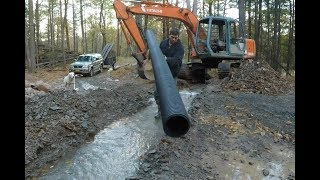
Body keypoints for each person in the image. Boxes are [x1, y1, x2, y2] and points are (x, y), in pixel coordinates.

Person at [154, 28, 185, 119]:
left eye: (176, 38)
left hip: (173, 73)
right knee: (157, 93)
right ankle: (160, 110)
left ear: (178, 37)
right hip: (162, 72)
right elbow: (157, 53)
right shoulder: (163, 43)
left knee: (171, 94)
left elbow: (177, 60)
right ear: (169, 35)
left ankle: (173, 113)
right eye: (172, 37)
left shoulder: (180, 47)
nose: (174, 39)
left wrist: (166, 59)